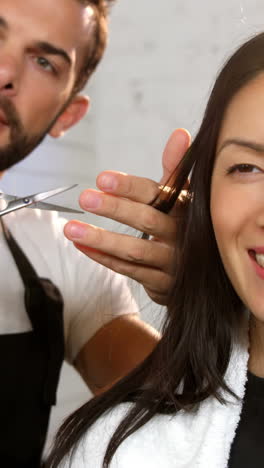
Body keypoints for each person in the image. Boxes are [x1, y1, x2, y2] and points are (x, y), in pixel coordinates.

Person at [46, 31, 264, 468]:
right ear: (206, 196)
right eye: (247, 168)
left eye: (45, 61)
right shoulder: (123, 451)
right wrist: (204, 286)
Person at [0, 0, 180, 466]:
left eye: (43, 61)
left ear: (68, 115)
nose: (4, 70)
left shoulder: (63, 257)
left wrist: (212, 297)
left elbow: (191, 421)